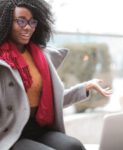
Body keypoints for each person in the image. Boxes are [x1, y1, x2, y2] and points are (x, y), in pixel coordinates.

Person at [0, 0, 112, 150]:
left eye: (32, 22)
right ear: (5, 22)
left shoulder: (40, 57)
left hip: (38, 126)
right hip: (10, 133)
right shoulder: (3, 62)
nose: (27, 27)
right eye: (21, 21)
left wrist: (85, 87)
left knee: (73, 146)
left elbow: (52, 100)